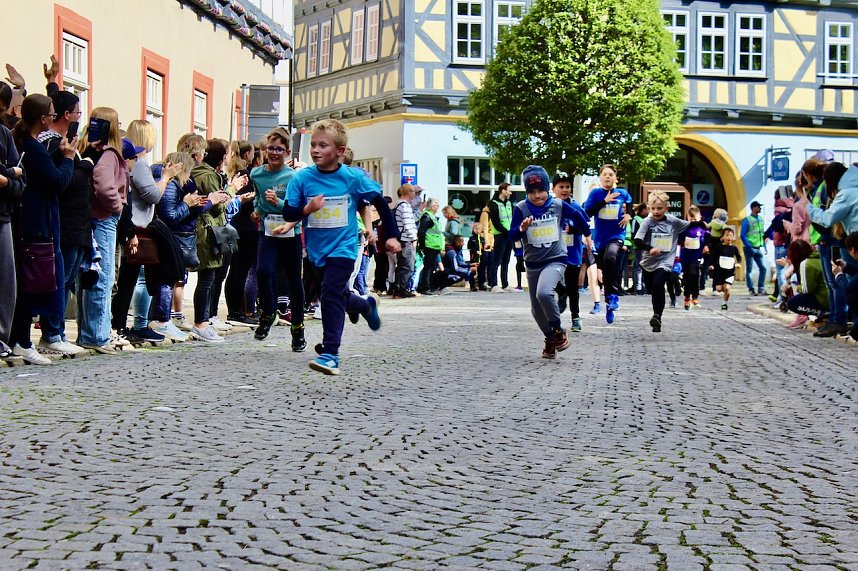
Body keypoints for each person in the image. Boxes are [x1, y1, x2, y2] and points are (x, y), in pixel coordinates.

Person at [281, 119, 401, 376]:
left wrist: (391, 236)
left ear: (340, 151)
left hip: (344, 248)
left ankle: (330, 353)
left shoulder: (352, 178)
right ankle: (366, 306)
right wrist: (307, 209)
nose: (315, 150)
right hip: (316, 251)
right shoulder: (302, 179)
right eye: (313, 144)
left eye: (322, 145)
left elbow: (380, 203)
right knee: (336, 294)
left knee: (330, 293)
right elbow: (289, 212)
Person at [8, 94, 76, 364]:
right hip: (37, 222)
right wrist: (69, 159)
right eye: (51, 113)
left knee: (28, 281)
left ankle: (20, 340)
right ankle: (22, 341)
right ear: (43, 119)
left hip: (30, 219)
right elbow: (57, 181)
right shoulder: (33, 147)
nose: (54, 117)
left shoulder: (26, 143)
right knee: (32, 283)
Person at [508, 165, 589, 359]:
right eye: (532, 192)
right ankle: (550, 338)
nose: (537, 196)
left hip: (555, 259)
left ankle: (559, 330)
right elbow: (512, 235)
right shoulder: (521, 208)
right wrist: (521, 228)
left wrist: (586, 232)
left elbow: (578, 215)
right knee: (536, 309)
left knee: (544, 293)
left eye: (541, 191)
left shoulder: (558, 205)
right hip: (533, 263)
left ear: (547, 189)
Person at [111, 123, 181, 343]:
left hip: (132, 225)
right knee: (131, 280)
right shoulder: (139, 164)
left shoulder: (133, 162)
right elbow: (153, 195)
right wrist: (166, 178)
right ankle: (125, 325)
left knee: (129, 279)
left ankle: (121, 324)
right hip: (137, 227)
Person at [77, 106, 127, 355]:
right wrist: (117, 206)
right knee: (102, 277)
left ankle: (90, 333)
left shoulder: (89, 150)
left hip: (93, 217)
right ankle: (96, 335)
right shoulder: (109, 155)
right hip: (104, 219)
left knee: (90, 276)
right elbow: (104, 185)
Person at [252, 127, 306, 350]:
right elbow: (258, 197)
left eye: (279, 149)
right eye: (271, 148)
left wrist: (279, 203)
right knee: (263, 271)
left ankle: (298, 328)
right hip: (269, 231)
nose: (274, 153)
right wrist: (257, 209)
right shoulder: (256, 174)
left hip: (291, 232)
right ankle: (268, 313)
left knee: (293, 280)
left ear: (287, 152)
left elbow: (298, 208)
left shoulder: (293, 177)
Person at [151, 152, 205, 341]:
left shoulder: (169, 183)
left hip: (167, 236)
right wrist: (187, 204)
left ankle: (161, 320)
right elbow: (170, 216)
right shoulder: (172, 184)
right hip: (168, 236)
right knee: (167, 279)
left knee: (168, 279)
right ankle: (162, 320)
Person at [185, 136, 232, 342]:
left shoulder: (197, 173)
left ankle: (204, 321)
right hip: (208, 230)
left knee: (206, 278)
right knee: (207, 279)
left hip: (202, 228)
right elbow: (219, 206)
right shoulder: (208, 176)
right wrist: (232, 191)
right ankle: (202, 323)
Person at [633, 191, 690, 332]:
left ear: (666, 208)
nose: (656, 212)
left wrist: (703, 225)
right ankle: (657, 312)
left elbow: (690, 226)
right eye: (653, 208)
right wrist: (650, 248)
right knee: (652, 288)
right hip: (648, 263)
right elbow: (637, 240)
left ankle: (657, 316)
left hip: (665, 261)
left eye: (659, 208)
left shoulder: (673, 221)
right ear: (649, 208)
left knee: (659, 284)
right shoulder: (647, 222)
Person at [807, 161, 853, 338]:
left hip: (837, 240)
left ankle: (840, 320)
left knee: (839, 282)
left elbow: (828, 219)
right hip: (836, 240)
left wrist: (807, 206)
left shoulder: (842, 192)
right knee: (835, 283)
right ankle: (836, 319)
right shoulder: (836, 189)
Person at [583, 164, 632, 323]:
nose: (608, 177)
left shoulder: (622, 193)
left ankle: (613, 296)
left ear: (615, 178)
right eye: (605, 174)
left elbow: (630, 202)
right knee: (603, 274)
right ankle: (609, 304)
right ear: (600, 177)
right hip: (600, 239)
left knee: (611, 257)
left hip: (617, 235)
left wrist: (628, 215)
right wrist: (605, 201)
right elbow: (587, 213)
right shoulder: (596, 194)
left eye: (611, 174)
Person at [0, 97, 24, 358]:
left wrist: (7, 180)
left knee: (6, 282)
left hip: (3, 216)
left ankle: (1, 338)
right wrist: (10, 173)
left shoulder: (4, 135)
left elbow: (21, 182)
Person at [224, 140, 258, 325]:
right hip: (246, 227)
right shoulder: (246, 176)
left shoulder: (233, 174)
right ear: (247, 155)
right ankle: (237, 310)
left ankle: (235, 309)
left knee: (235, 270)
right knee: (240, 270)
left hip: (236, 226)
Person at [552, 172, 590, 333]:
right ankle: (561, 292)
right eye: (561, 187)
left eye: (567, 187)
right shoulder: (550, 207)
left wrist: (574, 229)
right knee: (549, 280)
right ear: (553, 189)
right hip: (554, 253)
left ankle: (575, 317)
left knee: (573, 287)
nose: (565, 190)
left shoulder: (576, 207)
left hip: (572, 253)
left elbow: (586, 226)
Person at [783, 239, 827, 323]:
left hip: (823, 299)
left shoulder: (806, 263)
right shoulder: (820, 257)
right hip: (831, 297)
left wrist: (796, 287)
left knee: (792, 304)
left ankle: (823, 313)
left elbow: (807, 290)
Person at [391, 183, 417, 299]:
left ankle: (398, 289)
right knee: (408, 266)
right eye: (413, 191)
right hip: (406, 240)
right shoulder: (405, 207)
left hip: (401, 239)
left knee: (401, 266)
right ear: (408, 192)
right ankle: (401, 290)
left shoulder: (399, 205)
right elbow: (408, 224)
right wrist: (414, 238)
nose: (415, 194)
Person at [680, 205, 708, 309]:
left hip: (697, 255)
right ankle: (687, 297)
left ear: (699, 217)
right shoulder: (685, 227)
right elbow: (679, 239)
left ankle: (695, 296)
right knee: (687, 276)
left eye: (695, 219)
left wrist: (706, 246)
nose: (693, 221)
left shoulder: (702, 227)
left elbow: (708, 238)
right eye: (691, 219)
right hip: (686, 255)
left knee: (695, 274)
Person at [488, 182, 513, 292]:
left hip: (509, 235)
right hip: (500, 235)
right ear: (503, 190)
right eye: (509, 190)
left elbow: (511, 218)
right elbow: (496, 222)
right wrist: (506, 231)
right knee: (497, 260)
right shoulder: (493, 204)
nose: (510, 193)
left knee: (506, 260)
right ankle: (493, 284)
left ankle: (505, 284)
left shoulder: (509, 203)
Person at [416, 197, 443, 295]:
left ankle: (430, 287)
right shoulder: (427, 216)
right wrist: (422, 245)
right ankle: (425, 287)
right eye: (436, 204)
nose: (438, 206)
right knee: (428, 268)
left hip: (434, 246)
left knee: (432, 268)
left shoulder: (433, 217)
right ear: (431, 206)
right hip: (429, 245)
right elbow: (421, 232)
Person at [741, 200, 767, 296]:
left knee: (763, 268)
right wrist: (748, 245)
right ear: (753, 208)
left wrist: (764, 246)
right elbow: (742, 235)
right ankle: (751, 289)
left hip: (758, 247)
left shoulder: (760, 219)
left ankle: (761, 288)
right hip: (749, 248)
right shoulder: (747, 220)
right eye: (758, 207)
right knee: (749, 269)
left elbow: (762, 234)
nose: (760, 208)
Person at [712, 227, 742, 311]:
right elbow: (713, 257)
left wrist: (738, 263)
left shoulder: (734, 248)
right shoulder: (718, 247)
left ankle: (724, 303)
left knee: (727, 288)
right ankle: (723, 288)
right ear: (723, 237)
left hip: (729, 272)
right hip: (719, 272)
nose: (729, 237)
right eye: (727, 235)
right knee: (719, 289)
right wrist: (711, 265)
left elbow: (739, 257)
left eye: (731, 236)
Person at [630, 203, 648, 295]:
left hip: (645, 247)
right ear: (643, 210)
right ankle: (638, 287)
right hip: (638, 247)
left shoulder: (647, 219)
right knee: (638, 267)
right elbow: (633, 233)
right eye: (647, 209)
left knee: (642, 267)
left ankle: (643, 286)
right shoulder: (636, 219)